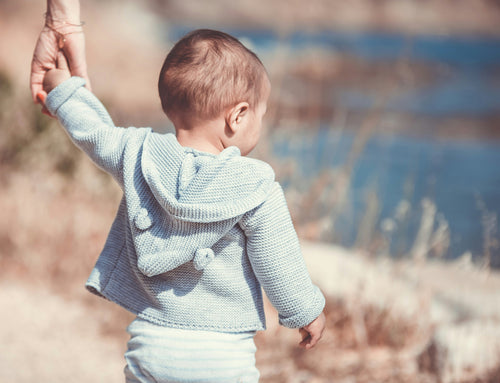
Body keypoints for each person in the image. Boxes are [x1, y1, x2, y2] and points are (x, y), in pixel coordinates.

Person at [37, 21, 325, 383]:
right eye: (260, 114)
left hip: (152, 346)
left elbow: (93, 133)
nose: (260, 124)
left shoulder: (138, 154)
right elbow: (278, 261)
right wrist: (305, 312)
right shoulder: (256, 186)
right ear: (237, 116)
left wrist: (61, 88)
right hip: (223, 356)